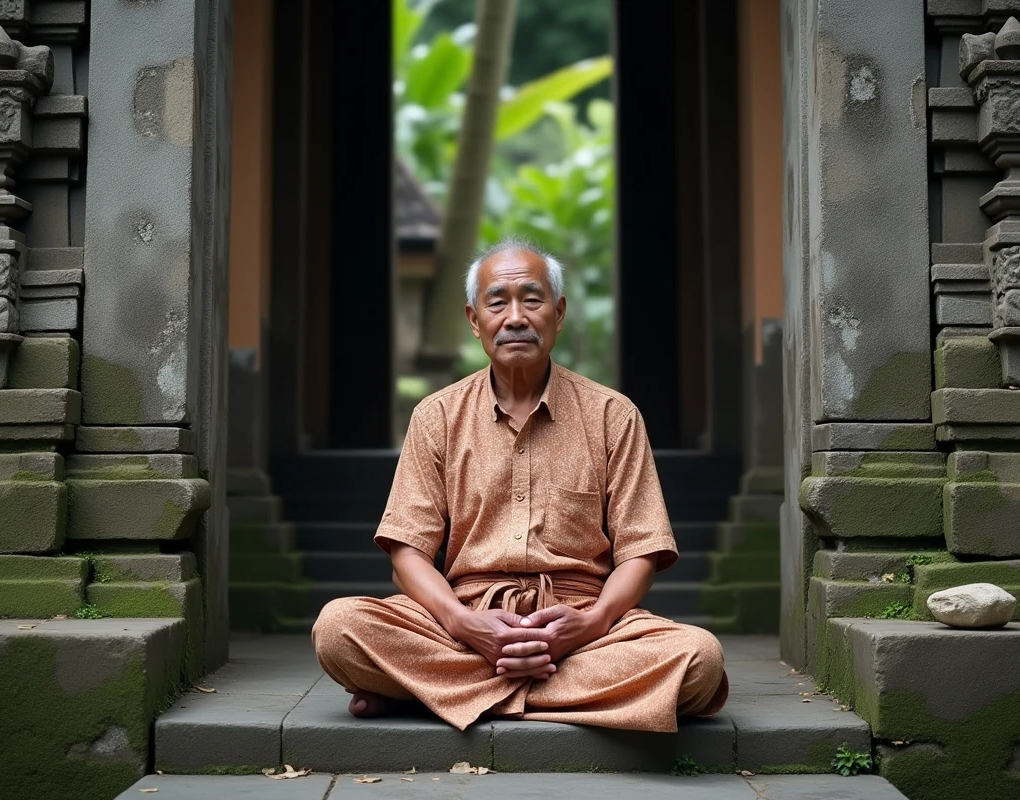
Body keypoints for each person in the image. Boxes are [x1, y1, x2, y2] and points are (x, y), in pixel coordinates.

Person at [312, 238, 728, 732]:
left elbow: (642, 552)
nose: (515, 318)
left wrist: (589, 625)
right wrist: (462, 623)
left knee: (699, 658)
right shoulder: (437, 416)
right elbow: (406, 554)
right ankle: (563, 695)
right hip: (467, 622)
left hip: (582, 626)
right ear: (474, 320)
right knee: (338, 628)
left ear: (558, 312)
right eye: (497, 302)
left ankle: (434, 694)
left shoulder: (613, 415)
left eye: (532, 300)